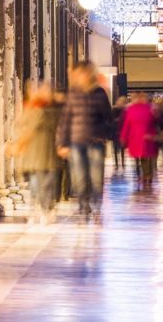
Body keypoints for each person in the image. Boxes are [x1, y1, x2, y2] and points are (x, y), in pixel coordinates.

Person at [56, 62, 114, 219]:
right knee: (79, 177)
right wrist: (62, 143)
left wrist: (106, 135)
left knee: (96, 177)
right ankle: (83, 205)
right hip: (76, 140)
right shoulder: (73, 93)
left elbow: (108, 118)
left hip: (96, 140)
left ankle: (96, 206)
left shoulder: (100, 93)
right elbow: (66, 120)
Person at [10, 81, 62, 224]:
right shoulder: (30, 108)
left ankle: (45, 208)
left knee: (46, 183)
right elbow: (20, 127)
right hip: (33, 152)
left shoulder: (53, 110)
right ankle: (38, 209)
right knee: (36, 183)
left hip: (47, 152)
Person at [120, 92, 159, 187]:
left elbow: (126, 124)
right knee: (146, 156)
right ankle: (147, 175)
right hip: (146, 136)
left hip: (139, 137)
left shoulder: (131, 109)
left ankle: (146, 175)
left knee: (143, 157)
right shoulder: (150, 108)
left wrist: (123, 137)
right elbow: (158, 121)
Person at [112, 96, 128, 169]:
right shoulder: (114, 109)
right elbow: (111, 119)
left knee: (122, 148)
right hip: (115, 130)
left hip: (122, 131)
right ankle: (116, 164)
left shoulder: (125, 110)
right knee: (115, 148)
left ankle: (122, 163)